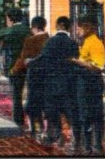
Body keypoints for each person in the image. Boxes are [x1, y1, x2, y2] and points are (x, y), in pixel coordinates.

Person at [38, 16, 80, 149]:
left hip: (51, 82)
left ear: (58, 25)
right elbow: (76, 62)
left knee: (52, 111)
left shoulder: (50, 42)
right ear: (68, 27)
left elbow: (43, 61)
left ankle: (54, 135)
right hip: (68, 82)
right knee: (70, 110)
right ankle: (75, 137)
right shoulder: (72, 43)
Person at [0, 8, 31, 127]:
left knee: (16, 94)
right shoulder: (28, 30)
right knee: (30, 93)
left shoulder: (10, 30)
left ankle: (18, 120)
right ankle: (29, 116)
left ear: (9, 19)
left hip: (14, 65)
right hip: (29, 65)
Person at [73, 14, 105, 156]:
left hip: (91, 84)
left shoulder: (95, 43)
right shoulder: (86, 42)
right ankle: (88, 145)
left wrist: (77, 62)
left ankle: (96, 145)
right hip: (84, 83)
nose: (77, 31)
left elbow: (98, 66)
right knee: (85, 115)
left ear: (87, 27)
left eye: (79, 28)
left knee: (95, 115)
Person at [12, 16, 49, 138]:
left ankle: (33, 128)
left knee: (32, 101)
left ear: (34, 27)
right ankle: (45, 128)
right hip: (48, 76)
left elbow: (23, 58)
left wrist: (14, 70)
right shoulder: (49, 39)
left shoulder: (30, 41)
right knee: (45, 101)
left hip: (34, 75)